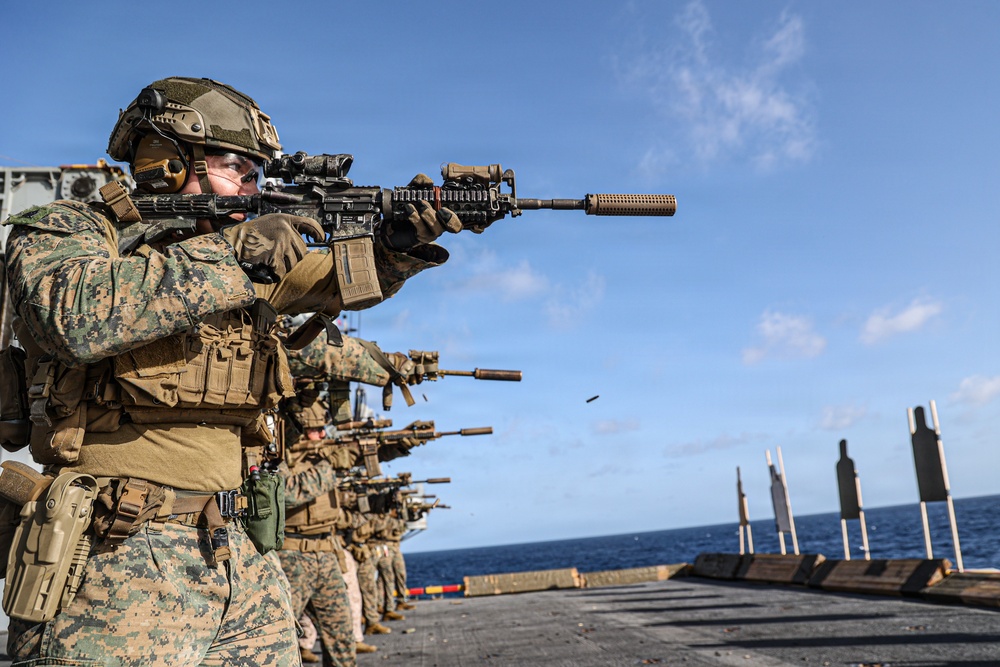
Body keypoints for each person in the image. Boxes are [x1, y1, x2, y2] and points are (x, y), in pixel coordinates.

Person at [3, 76, 460, 665]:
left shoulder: (237, 263)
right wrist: (233, 252)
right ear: (166, 161)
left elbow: (333, 284)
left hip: (236, 550)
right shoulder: (72, 229)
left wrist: (398, 245)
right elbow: (73, 314)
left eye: (256, 174)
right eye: (236, 168)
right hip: (115, 552)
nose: (252, 187)